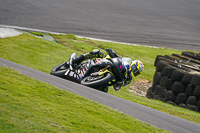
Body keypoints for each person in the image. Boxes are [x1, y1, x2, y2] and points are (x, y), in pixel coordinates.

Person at [70, 48, 144, 90]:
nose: (135, 72)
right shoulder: (125, 63)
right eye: (135, 70)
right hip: (106, 62)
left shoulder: (128, 79)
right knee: (98, 52)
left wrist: (119, 83)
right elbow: (117, 57)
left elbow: (117, 88)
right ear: (133, 65)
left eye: (137, 73)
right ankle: (77, 59)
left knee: (104, 90)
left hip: (106, 80)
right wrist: (112, 52)